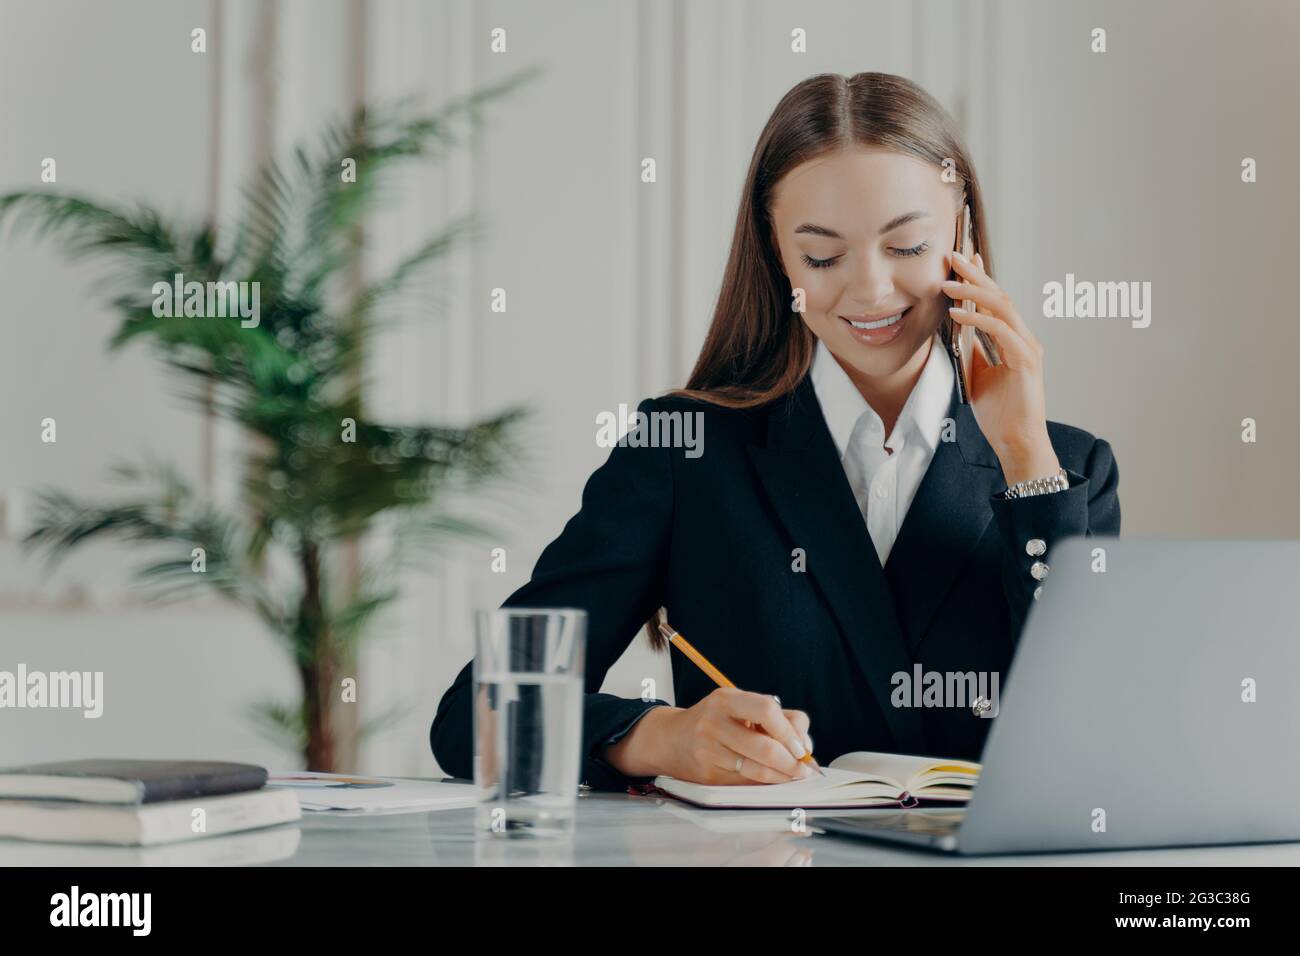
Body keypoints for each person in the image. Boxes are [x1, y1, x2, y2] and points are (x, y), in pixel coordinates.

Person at [431, 72, 1120, 792]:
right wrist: (659, 735)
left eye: (909, 246)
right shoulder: (685, 451)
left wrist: (1024, 454)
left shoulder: (1066, 469)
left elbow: (1101, 735)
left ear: (963, 230)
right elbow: (474, 711)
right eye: (822, 257)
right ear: (776, 253)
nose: (871, 291)